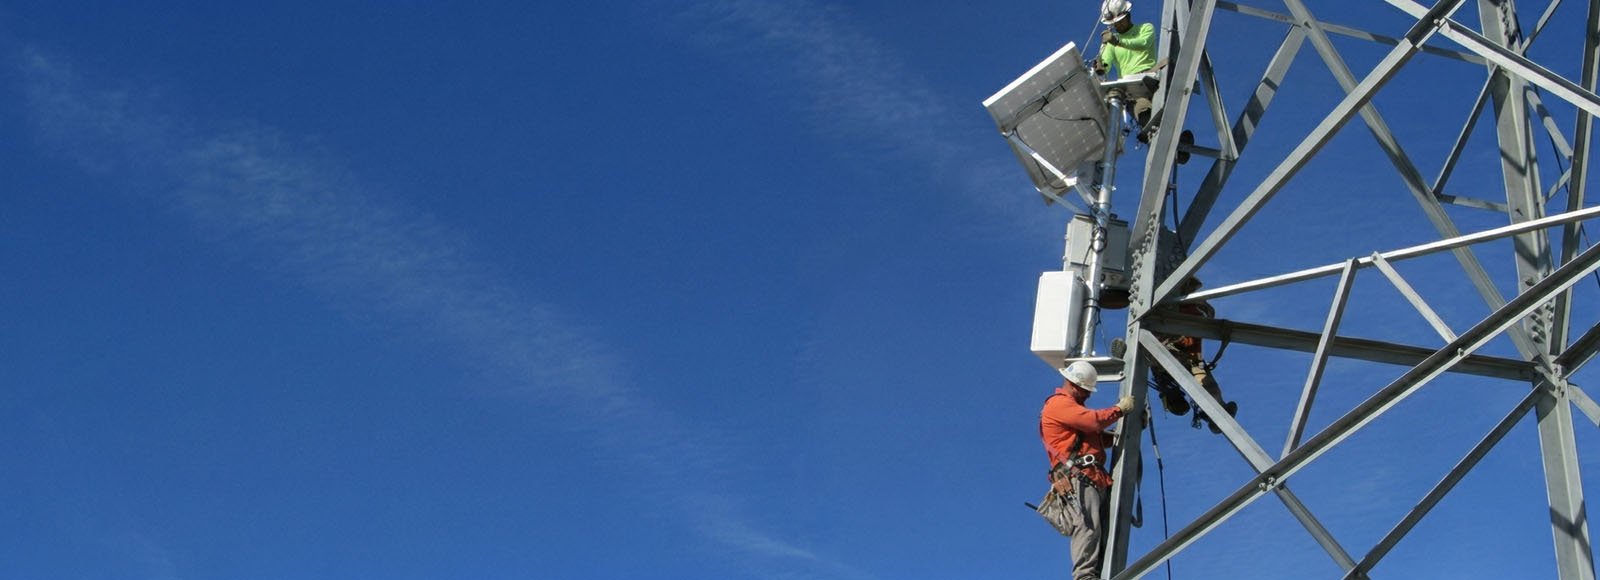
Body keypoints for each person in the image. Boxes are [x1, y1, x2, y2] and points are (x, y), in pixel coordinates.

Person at [1039, 361, 1135, 580]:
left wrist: (1129, 429)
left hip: (1093, 477)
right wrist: (1120, 410)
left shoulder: (1072, 408)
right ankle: (1085, 577)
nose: (1088, 396)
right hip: (1080, 478)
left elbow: (1097, 438)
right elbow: (1093, 422)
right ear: (1074, 385)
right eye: (1085, 391)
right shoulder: (1058, 404)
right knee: (1087, 529)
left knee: (1100, 533)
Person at [1152, 276, 1237, 432]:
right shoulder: (1197, 309)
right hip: (1172, 353)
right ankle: (1176, 396)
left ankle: (1212, 409)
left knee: (1203, 382)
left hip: (1179, 355)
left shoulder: (1197, 309)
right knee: (1197, 378)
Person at [1094, 0, 1159, 129]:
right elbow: (1104, 66)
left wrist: (1117, 41)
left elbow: (1142, 44)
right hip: (1132, 88)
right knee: (1142, 109)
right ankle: (1156, 134)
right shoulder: (1110, 44)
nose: (1118, 25)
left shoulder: (1145, 28)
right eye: (1114, 24)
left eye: (1121, 21)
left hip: (1152, 79)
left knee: (1165, 113)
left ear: (1128, 15)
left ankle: (1175, 142)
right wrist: (1099, 66)